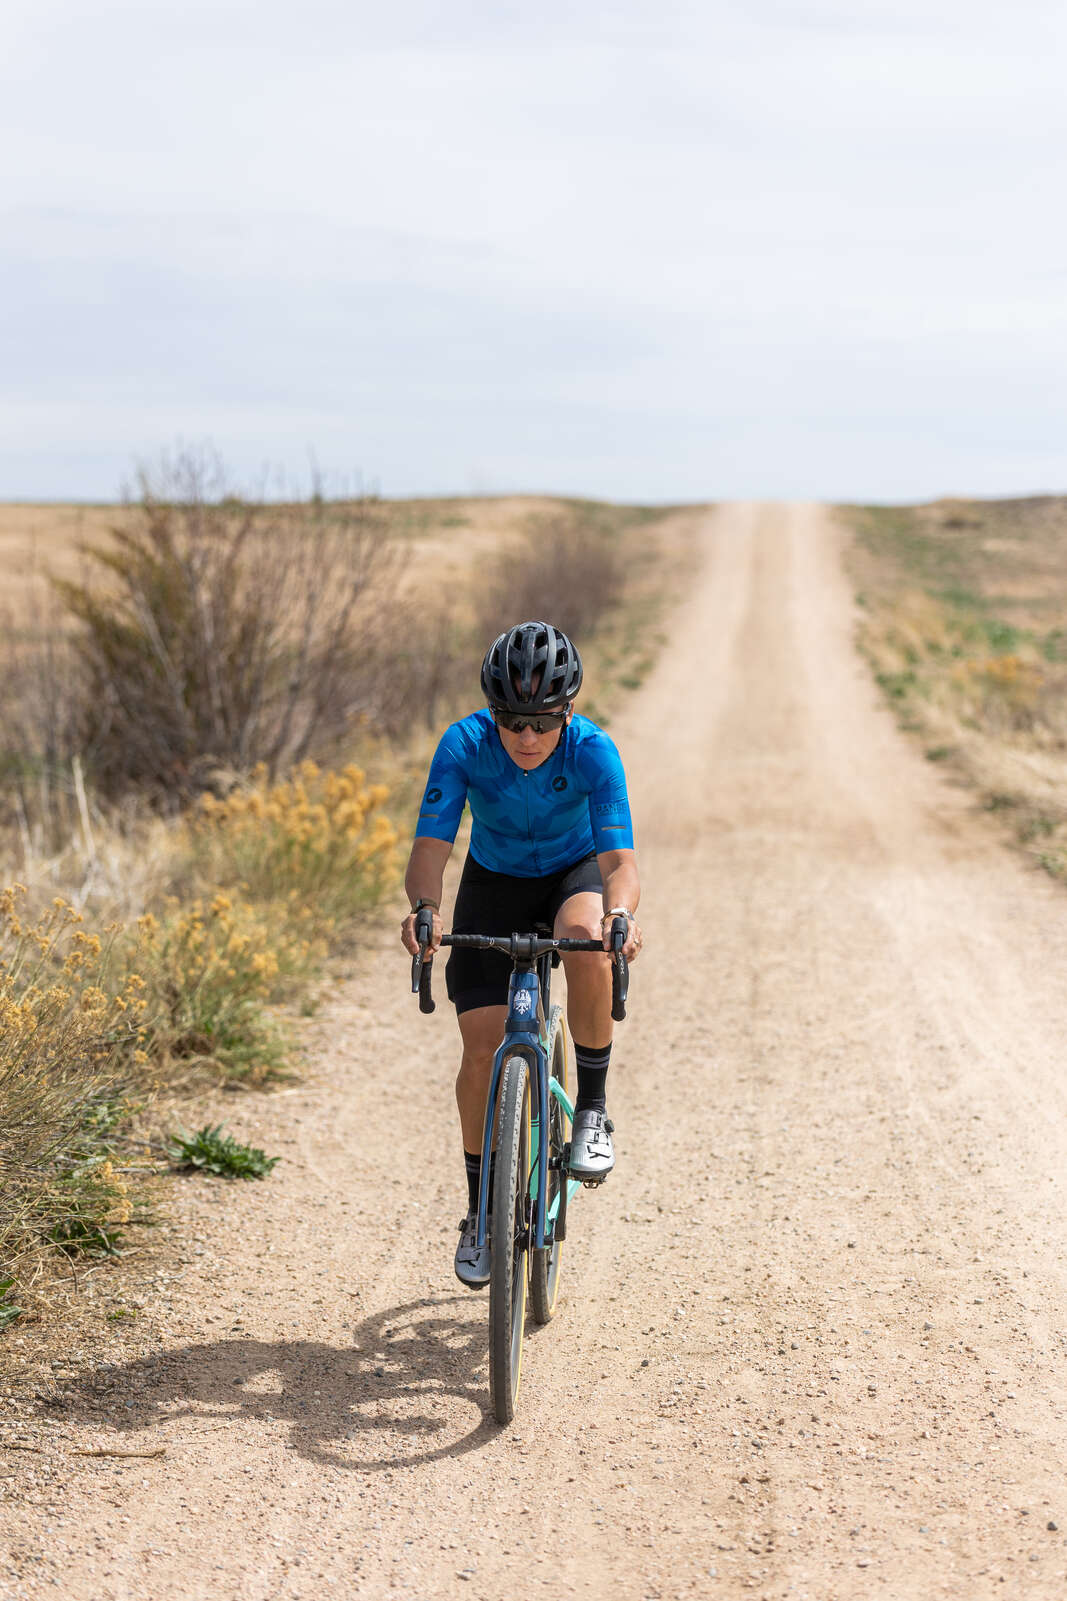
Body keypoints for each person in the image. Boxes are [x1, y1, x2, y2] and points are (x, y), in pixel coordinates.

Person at [400, 619, 643, 1289]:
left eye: (542, 721)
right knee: (480, 1047)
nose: (527, 737)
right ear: (491, 713)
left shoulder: (593, 751)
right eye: (511, 720)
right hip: (493, 882)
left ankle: (590, 1109)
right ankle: (481, 1213)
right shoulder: (463, 744)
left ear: (566, 712)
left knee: (589, 942)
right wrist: (425, 906)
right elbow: (430, 849)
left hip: (571, 875)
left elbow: (618, 861)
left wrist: (619, 913)